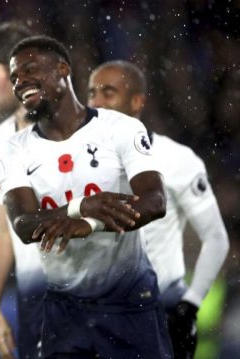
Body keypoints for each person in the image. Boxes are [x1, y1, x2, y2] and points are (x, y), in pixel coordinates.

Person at [0, 35, 172, 358]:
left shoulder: (121, 128)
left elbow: (155, 202)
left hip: (129, 301)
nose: (21, 82)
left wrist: (90, 223)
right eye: (14, 78)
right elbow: (23, 225)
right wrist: (80, 206)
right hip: (64, 311)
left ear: (63, 68)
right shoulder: (13, 148)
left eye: (30, 69)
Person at [87, 60, 230, 359]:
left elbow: (216, 238)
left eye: (108, 92)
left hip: (161, 311)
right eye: (91, 93)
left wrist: (189, 306)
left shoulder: (176, 159)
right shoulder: (77, 163)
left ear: (138, 101)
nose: (96, 102)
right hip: (97, 313)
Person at [0, 22, 46, 359]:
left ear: (17, 70)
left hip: (94, 296)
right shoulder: (0, 139)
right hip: (35, 301)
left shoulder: (79, 128)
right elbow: (2, 229)